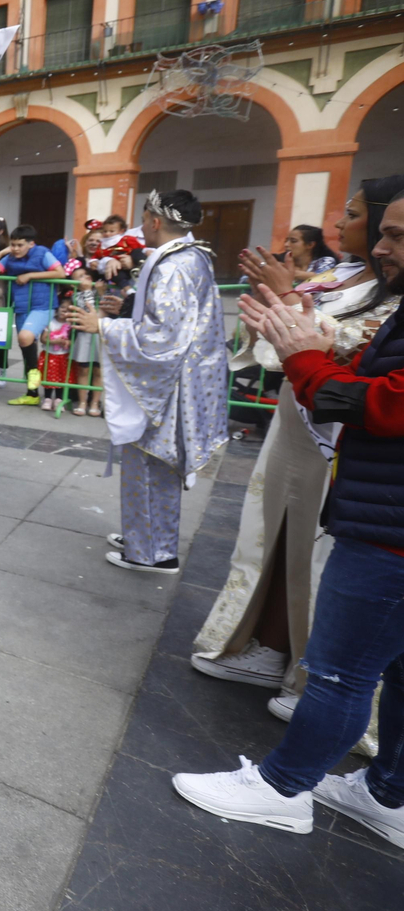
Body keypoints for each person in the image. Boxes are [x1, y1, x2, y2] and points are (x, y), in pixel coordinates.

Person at [170, 190, 404, 846]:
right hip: (366, 485)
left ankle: (283, 788)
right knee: (391, 667)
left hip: (385, 519)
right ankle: (387, 792)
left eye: (392, 232)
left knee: (342, 670)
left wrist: (304, 346)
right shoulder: (371, 287)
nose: (376, 243)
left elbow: (377, 399)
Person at [67, 189, 228, 574]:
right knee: (150, 466)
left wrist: (103, 326)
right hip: (181, 378)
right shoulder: (191, 256)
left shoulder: (174, 266)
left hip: (167, 386)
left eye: (142, 220)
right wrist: (126, 308)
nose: (140, 228)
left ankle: (153, 553)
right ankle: (144, 535)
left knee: (151, 464)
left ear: (155, 221)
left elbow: (162, 337)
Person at [0, 223, 67, 407]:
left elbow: (60, 273)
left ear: (31, 244)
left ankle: (35, 378)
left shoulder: (42, 253)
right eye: (13, 245)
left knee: (25, 337)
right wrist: (1, 253)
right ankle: (32, 394)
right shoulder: (9, 257)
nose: (16, 249)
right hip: (22, 307)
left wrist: (30, 275)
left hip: (42, 306)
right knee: (27, 347)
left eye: (20, 245)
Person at [68, 266, 102, 416]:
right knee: (84, 369)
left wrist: (99, 292)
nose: (85, 277)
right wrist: (87, 290)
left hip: (100, 335)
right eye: (80, 276)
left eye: (86, 274)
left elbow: (103, 309)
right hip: (84, 336)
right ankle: (82, 402)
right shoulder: (77, 296)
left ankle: (95, 402)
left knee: (98, 370)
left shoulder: (99, 291)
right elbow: (89, 310)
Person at [40, 300, 73, 413]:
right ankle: (47, 398)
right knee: (48, 377)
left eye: (68, 309)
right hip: (50, 355)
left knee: (61, 378)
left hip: (63, 356)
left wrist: (68, 342)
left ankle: (59, 399)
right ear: (57, 309)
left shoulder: (70, 324)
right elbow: (43, 339)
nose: (64, 310)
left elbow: (73, 341)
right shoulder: (50, 322)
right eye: (62, 307)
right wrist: (55, 341)